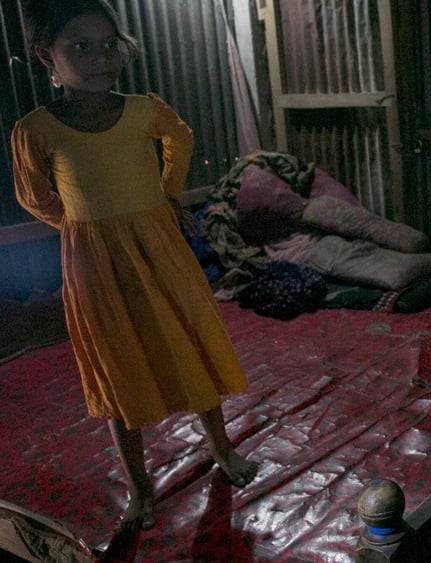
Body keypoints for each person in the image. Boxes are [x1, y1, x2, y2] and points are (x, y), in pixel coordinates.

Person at [11, 0, 258, 533]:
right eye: (81, 46)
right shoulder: (37, 129)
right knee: (117, 363)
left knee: (190, 338)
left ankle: (222, 448)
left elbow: (180, 137)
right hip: (96, 266)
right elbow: (32, 195)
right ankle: (140, 489)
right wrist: (82, 226)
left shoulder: (143, 110)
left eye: (109, 45)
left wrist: (167, 194)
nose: (100, 58)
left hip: (159, 248)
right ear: (46, 56)